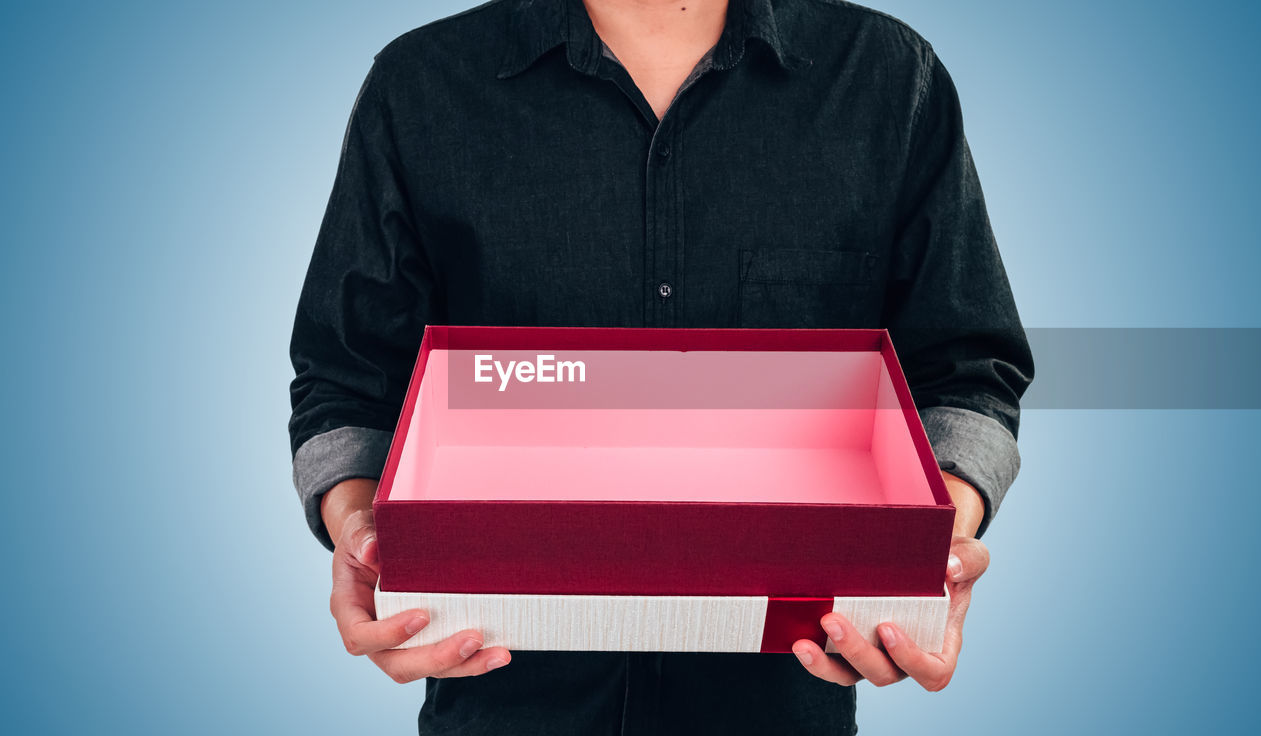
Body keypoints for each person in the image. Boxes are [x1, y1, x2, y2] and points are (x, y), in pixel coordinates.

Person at [287, 0, 1034, 732]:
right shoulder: (420, 85)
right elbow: (350, 379)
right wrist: (360, 531)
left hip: (782, 701)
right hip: (498, 697)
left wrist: (929, 560)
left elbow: (965, 372)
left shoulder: (887, 78)